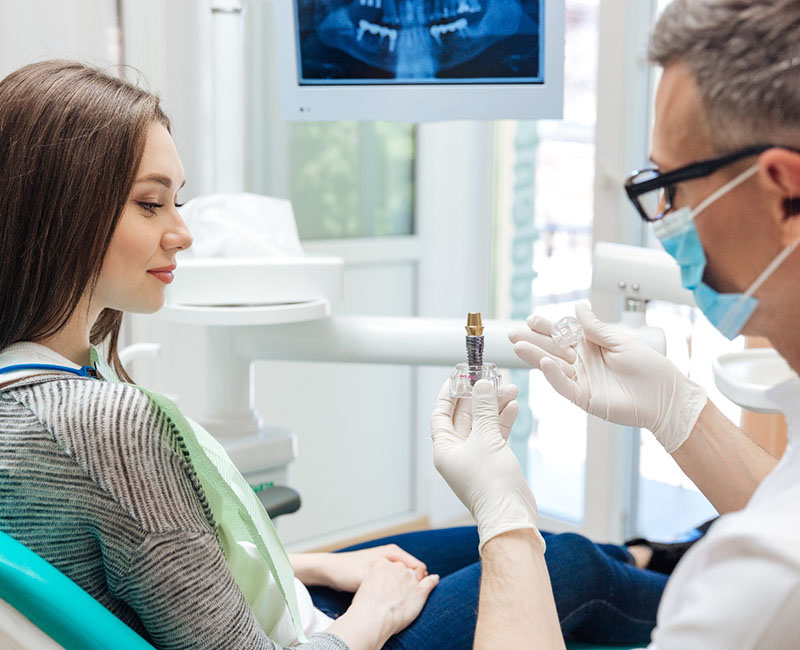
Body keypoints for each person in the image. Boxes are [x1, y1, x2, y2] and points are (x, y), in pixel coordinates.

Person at [0, 59, 676, 650]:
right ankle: (728, 594)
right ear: (60, 209)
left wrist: (316, 565)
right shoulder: (101, 424)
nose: (183, 233)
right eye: (151, 205)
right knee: (572, 568)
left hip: (276, 606)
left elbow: (157, 567)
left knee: (500, 544)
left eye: (177, 202)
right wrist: (372, 616)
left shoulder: (30, 388)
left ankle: (662, 558)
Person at [431, 0, 800, 648]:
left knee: (573, 563)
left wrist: (505, 518)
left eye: (674, 186)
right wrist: (676, 409)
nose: (665, 221)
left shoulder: (765, 580)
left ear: (784, 192)